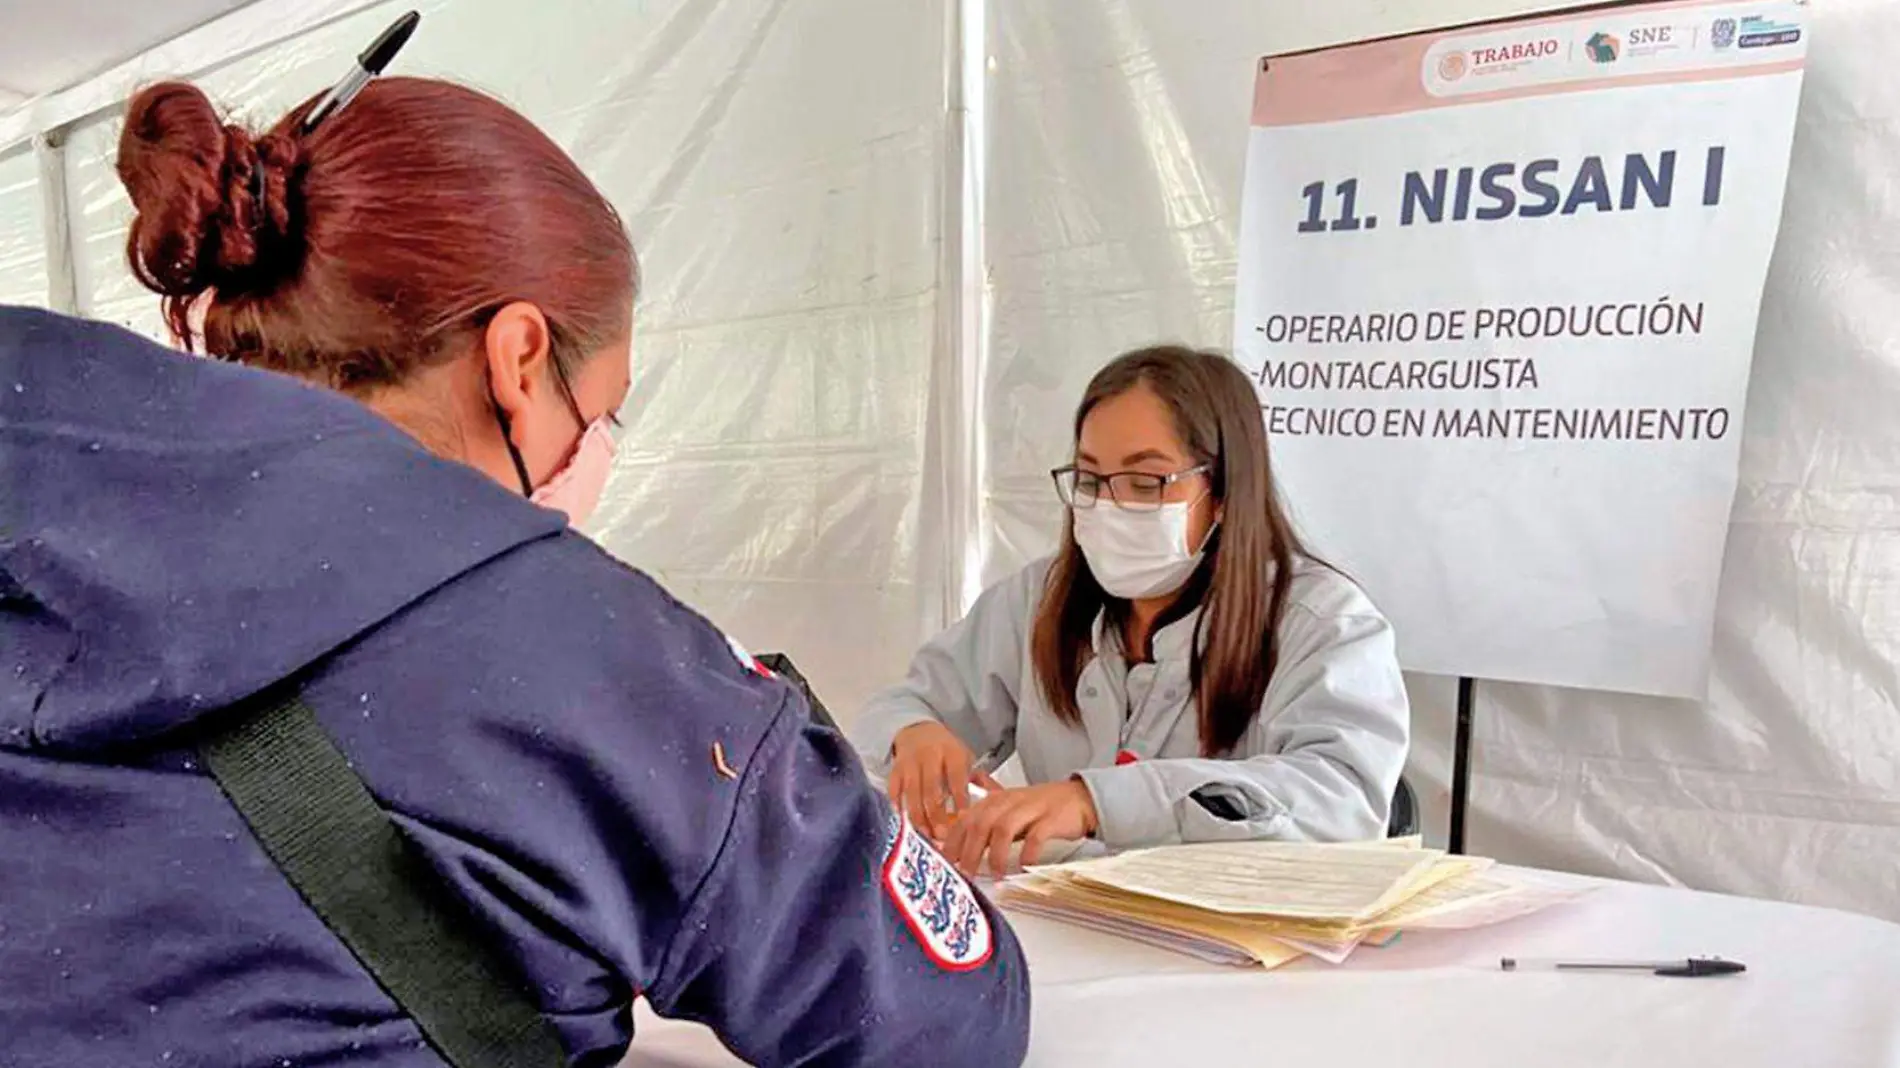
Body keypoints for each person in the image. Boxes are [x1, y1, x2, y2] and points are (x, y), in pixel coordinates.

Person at [0, 75, 1027, 1068]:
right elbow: (938, 1023)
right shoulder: (598, 660)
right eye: (603, 408)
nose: (599, 447)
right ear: (519, 358)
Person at [854, 346, 1411, 876]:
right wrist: (916, 733)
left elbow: (1343, 799)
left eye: (1146, 484)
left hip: (1235, 947)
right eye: (1091, 480)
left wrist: (1098, 802)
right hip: (1068, 922)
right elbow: (910, 702)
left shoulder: (1322, 622)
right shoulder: (1039, 598)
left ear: (1222, 492)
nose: (1110, 508)